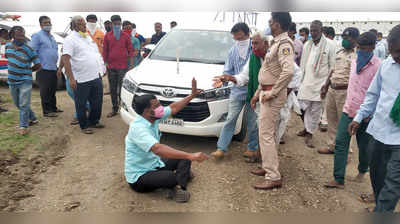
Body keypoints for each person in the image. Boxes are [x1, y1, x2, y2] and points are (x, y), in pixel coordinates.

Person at [125, 78, 208, 203]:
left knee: (183, 159)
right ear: (147, 111)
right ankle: (178, 180)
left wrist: (192, 95)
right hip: (139, 176)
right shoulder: (138, 128)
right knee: (171, 175)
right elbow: (158, 149)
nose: (161, 107)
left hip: (154, 164)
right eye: (157, 106)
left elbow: (174, 108)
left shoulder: (153, 117)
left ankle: (179, 186)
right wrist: (191, 155)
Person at [348, 24, 400, 213]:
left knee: (393, 184)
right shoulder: (386, 65)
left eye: (399, 52)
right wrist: (359, 117)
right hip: (379, 132)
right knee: (377, 177)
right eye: (393, 52)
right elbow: (373, 95)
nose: (396, 56)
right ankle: (381, 207)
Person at [324, 31, 381, 189]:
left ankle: (363, 169)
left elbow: (377, 94)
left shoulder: (378, 67)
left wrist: (370, 114)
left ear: (372, 47)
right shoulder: (355, 62)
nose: (361, 51)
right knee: (341, 142)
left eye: (364, 48)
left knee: (364, 148)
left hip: (366, 115)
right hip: (348, 110)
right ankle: (338, 178)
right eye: (359, 48)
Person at [249, 12, 294, 190]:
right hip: (266, 91)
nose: (269, 23)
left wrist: (273, 92)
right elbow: (269, 72)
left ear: (278, 24)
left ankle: (273, 175)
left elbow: (288, 72)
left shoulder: (284, 43)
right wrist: (257, 93)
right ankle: (268, 167)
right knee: (267, 132)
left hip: (271, 95)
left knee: (266, 134)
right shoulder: (276, 42)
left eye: (271, 21)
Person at [212, 30, 267, 162]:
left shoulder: (268, 54)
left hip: (257, 93)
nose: (253, 46)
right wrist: (228, 78)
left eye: (241, 38)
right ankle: (221, 148)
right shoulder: (236, 52)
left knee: (253, 122)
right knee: (230, 119)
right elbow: (243, 75)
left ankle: (253, 149)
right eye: (236, 38)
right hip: (239, 91)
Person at [318, 27, 359, 154]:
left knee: (345, 122)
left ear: (355, 39)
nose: (345, 40)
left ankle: (345, 150)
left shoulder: (357, 55)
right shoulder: (339, 52)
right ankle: (332, 146)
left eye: (348, 38)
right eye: (344, 38)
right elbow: (332, 70)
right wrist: (325, 85)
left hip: (345, 92)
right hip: (332, 89)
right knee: (331, 120)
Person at [62, 16, 105, 134]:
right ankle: (84, 125)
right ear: (73, 26)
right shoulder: (70, 39)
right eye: (80, 23)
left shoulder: (87, 37)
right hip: (81, 78)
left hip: (95, 76)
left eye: (84, 23)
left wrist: (101, 70)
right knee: (81, 104)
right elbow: (66, 59)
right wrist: (71, 79)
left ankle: (94, 121)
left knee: (97, 102)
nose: (83, 25)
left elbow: (96, 55)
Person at [297, 20, 337, 148]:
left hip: (320, 84)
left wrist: (326, 85)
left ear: (321, 31)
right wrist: (300, 81)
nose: (313, 33)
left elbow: (332, 67)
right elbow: (303, 65)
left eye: (316, 30)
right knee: (301, 107)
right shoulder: (307, 45)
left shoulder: (330, 45)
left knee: (315, 111)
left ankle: (309, 134)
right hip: (306, 82)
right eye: (312, 30)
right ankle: (307, 127)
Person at [5, 26, 41, 135]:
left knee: (24, 104)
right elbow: (9, 59)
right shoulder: (7, 47)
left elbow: (38, 65)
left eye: (23, 35)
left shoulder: (29, 49)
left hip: (25, 80)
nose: (22, 37)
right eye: (19, 35)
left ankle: (23, 126)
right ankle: (33, 118)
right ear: (12, 36)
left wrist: (28, 71)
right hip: (12, 80)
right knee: (18, 103)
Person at [103, 15, 134, 118]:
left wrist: (131, 65)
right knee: (112, 88)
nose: (117, 26)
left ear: (121, 24)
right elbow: (105, 51)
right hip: (111, 67)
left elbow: (130, 51)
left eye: (118, 24)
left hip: (123, 66)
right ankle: (115, 108)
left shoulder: (125, 36)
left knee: (122, 88)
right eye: (115, 24)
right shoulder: (107, 36)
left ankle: (123, 108)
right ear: (111, 24)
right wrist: (105, 63)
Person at [31, 15, 62, 118]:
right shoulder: (37, 36)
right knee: (45, 90)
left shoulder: (52, 37)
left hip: (53, 67)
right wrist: (37, 64)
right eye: (45, 23)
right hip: (43, 68)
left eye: (49, 22)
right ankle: (47, 111)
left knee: (53, 89)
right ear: (41, 25)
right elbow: (33, 51)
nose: (48, 25)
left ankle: (53, 108)